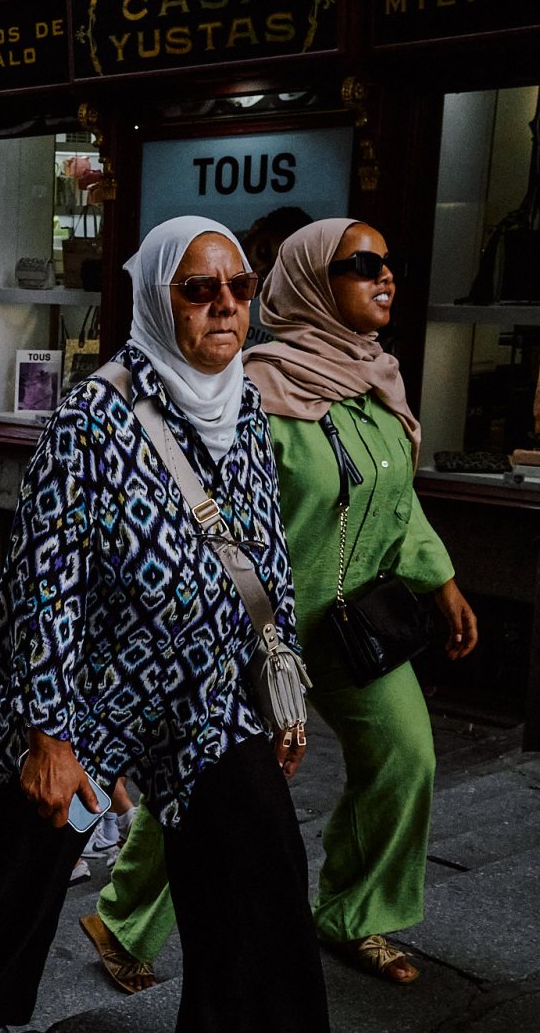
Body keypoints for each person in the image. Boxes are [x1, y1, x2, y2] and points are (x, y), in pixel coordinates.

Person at [0, 217, 332, 1033]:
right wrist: (48, 734)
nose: (225, 306)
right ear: (156, 299)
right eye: (200, 289)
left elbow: (265, 552)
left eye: (240, 289)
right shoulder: (90, 422)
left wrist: (279, 679)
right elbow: (43, 585)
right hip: (92, 687)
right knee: (22, 861)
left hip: (212, 690)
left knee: (262, 865)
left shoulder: (246, 408)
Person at [87, 218, 480, 993]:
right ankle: (122, 917)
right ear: (308, 282)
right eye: (361, 264)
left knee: (407, 758)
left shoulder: (377, 384)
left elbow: (397, 501)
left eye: (386, 262)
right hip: (259, 632)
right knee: (216, 781)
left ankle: (352, 912)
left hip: (357, 621)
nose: (385, 276)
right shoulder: (252, 389)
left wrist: (443, 581)